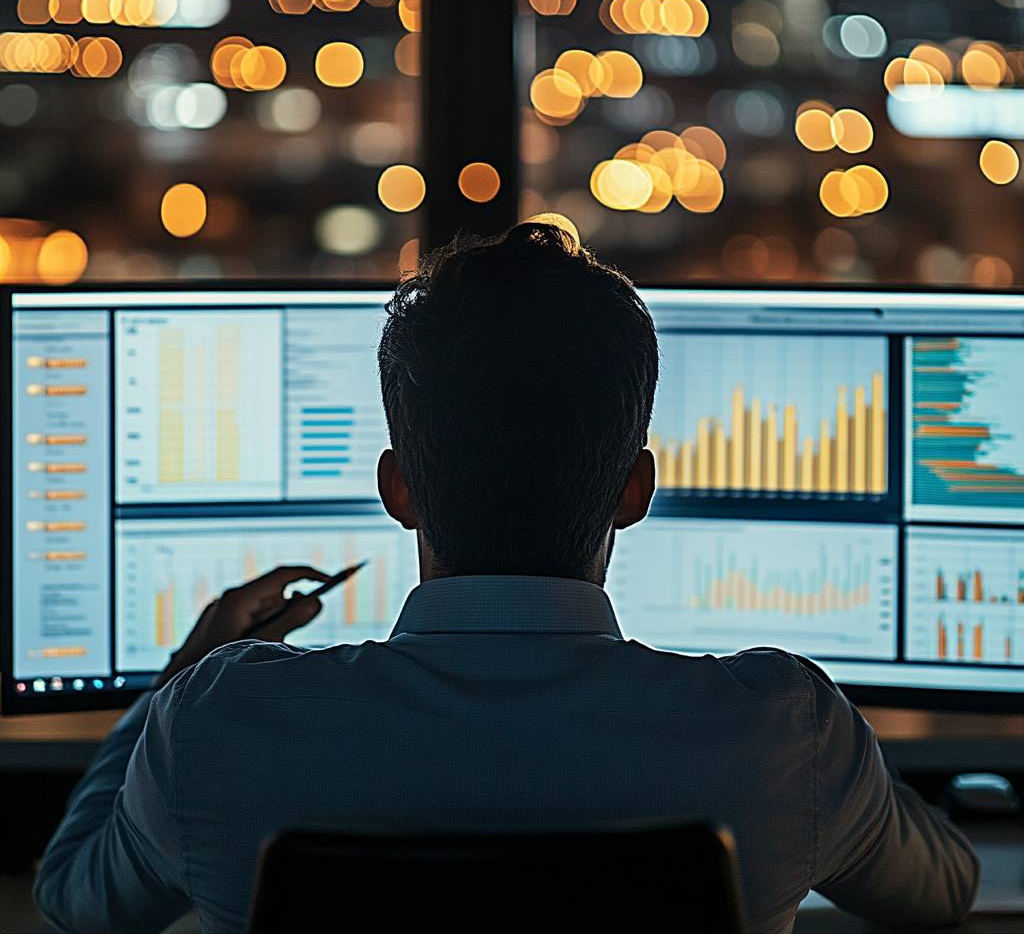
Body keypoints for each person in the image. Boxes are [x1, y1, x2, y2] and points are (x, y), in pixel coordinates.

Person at [35, 224, 977, 934]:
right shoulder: (786, 732)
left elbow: (74, 902)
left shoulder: (218, 720)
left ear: (396, 489)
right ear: (635, 491)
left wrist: (181, 674)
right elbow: (942, 896)